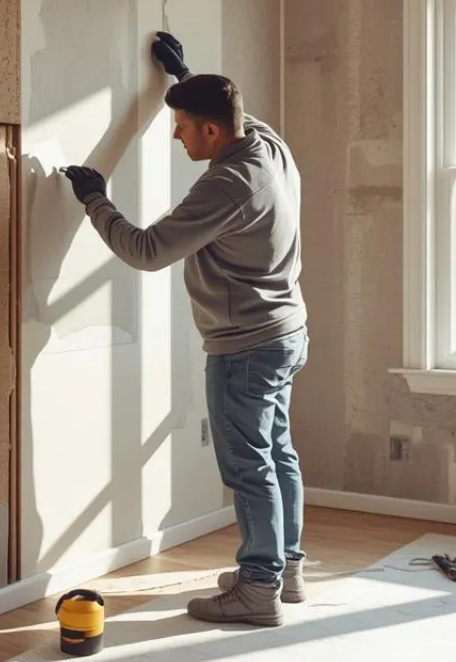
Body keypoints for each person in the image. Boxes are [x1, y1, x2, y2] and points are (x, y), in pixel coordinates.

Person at [61, 31, 309, 627]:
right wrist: (181, 76)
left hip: (246, 346)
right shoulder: (265, 142)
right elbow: (224, 108)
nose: (174, 136)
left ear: (213, 132)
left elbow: (146, 250)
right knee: (276, 454)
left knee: (249, 467)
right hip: (285, 331)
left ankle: (257, 591)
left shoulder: (227, 183)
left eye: (182, 127)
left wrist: (95, 198)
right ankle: (284, 568)